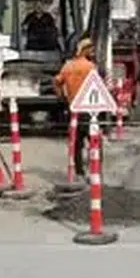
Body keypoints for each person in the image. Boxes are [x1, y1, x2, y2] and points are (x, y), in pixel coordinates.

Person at [54, 38, 96, 178]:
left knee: (76, 143)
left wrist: (62, 97)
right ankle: (95, 169)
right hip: (88, 109)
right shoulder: (90, 67)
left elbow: (57, 81)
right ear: (85, 50)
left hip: (74, 109)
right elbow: (96, 86)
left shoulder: (68, 67)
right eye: (90, 49)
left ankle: (79, 172)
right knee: (94, 141)